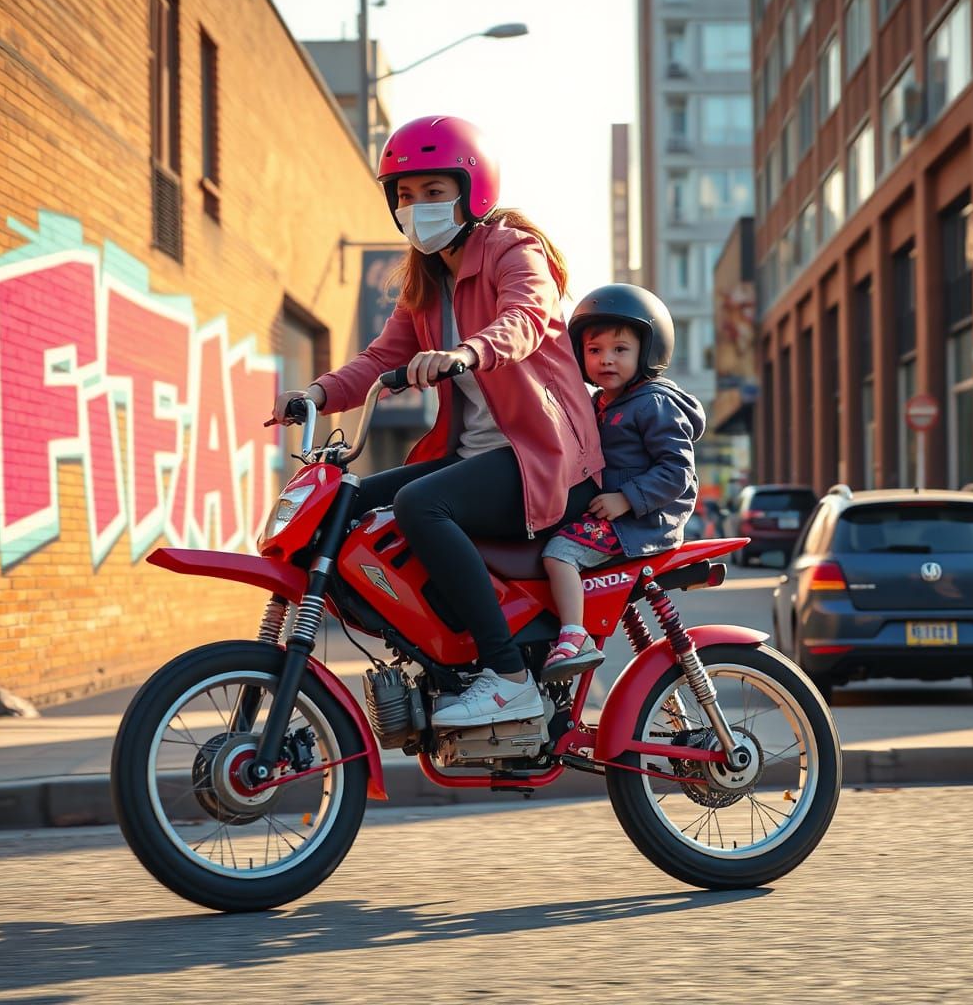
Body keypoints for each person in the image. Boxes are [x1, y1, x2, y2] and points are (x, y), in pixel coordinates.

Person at [270, 115, 604, 726]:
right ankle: (442, 656)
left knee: (421, 505)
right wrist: (315, 394)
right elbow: (380, 358)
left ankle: (508, 677)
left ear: (471, 192)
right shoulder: (426, 280)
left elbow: (526, 317)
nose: (416, 207)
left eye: (433, 192)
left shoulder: (513, 250)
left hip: (544, 458)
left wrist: (466, 352)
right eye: (404, 195)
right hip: (476, 458)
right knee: (342, 506)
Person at [539, 284, 706, 677]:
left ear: (648, 351)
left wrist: (627, 499)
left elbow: (677, 471)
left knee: (559, 553)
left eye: (620, 350)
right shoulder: (601, 402)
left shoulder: (653, 402)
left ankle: (572, 636)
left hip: (642, 521)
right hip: (618, 515)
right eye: (594, 351)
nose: (606, 360)